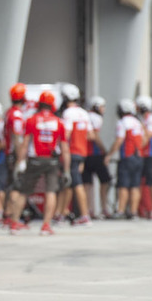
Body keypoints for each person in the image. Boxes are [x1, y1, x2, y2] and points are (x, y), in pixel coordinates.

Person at [8, 91, 70, 236]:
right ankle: (46, 225)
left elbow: (25, 144)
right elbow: (65, 149)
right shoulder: (59, 122)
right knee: (51, 191)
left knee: (24, 190)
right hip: (52, 161)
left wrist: (20, 163)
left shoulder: (31, 120)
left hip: (34, 160)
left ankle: (14, 223)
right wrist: (66, 170)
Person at [58, 84, 94, 226]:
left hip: (71, 152)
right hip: (82, 152)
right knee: (69, 184)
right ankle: (62, 213)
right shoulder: (84, 113)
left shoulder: (68, 113)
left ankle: (84, 215)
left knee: (75, 183)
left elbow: (66, 134)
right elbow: (90, 135)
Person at [105, 99, 144, 219]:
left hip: (127, 157)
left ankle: (120, 210)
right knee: (135, 186)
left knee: (123, 185)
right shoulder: (138, 122)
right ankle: (133, 212)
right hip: (139, 157)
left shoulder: (122, 122)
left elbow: (119, 140)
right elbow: (142, 139)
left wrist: (109, 155)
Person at [81, 96, 113, 219]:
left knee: (87, 184)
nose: (103, 109)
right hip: (95, 154)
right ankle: (104, 208)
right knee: (105, 181)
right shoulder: (96, 118)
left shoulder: (85, 116)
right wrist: (104, 150)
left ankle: (89, 209)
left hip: (85, 154)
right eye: (102, 106)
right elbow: (94, 136)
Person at [2, 83, 28, 226]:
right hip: (14, 153)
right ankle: (13, 218)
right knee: (16, 185)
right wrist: (20, 158)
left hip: (9, 153)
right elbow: (17, 138)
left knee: (10, 184)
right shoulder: (17, 115)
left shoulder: (9, 112)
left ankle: (7, 215)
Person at [136, 94, 152, 220]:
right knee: (140, 182)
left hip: (150, 155)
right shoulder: (142, 120)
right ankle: (142, 209)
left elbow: (146, 137)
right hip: (141, 155)